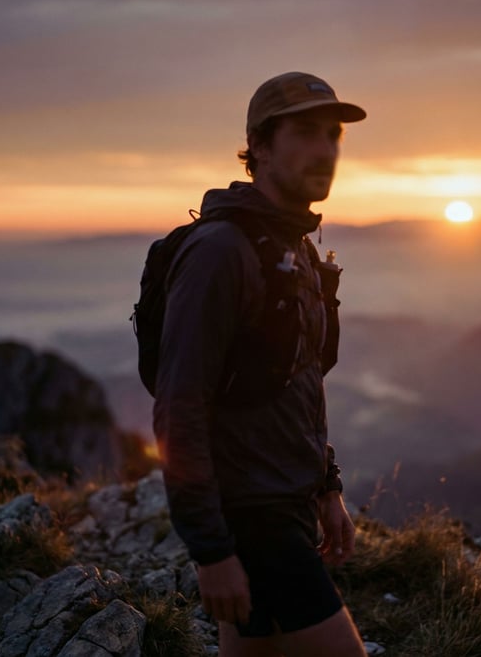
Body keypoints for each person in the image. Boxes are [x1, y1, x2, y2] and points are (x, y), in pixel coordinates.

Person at [152, 72, 368, 656]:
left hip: (285, 501)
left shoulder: (292, 249)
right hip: (252, 516)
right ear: (260, 147)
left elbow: (299, 383)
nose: (325, 149)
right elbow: (179, 405)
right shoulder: (221, 252)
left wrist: (325, 487)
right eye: (305, 132)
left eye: (332, 135)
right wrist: (212, 551)